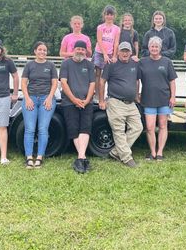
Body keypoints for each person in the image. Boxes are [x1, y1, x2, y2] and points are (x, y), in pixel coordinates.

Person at [99, 42, 143, 168]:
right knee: (118, 130)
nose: (125, 53)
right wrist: (102, 100)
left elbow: (136, 81)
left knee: (138, 127)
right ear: (118, 52)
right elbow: (102, 82)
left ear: (131, 53)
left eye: (127, 51)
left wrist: (136, 96)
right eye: (122, 51)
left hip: (130, 103)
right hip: (115, 101)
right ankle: (126, 158)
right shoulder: (111, 65)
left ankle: (115, 152)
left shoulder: (135, 64)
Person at [139, 37, 177, 161]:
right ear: (149, 48)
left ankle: (160, 152)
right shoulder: (142, 62)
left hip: (164, 99)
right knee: (150, 127)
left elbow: (172, 81)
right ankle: (152, 152)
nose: (154, 49)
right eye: (152, 46)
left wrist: (173, 96)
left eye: (156, 47)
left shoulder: (167, 62)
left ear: (160, 48)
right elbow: (137, 80)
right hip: (148, 98)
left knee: (162, 125)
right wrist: (136, 94)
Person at [60, 40, 95, 173]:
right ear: (73, 49)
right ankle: (83, 158)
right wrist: (74, 100)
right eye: (78, 49)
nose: (80, 51)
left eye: (82, 49)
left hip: (87, 102)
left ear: (85, 51)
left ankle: (80, 158)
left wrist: (86, 100)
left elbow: (92, 83)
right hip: (69, 102)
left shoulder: (89, 64)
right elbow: (63, 82)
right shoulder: (66, 64)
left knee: (85, 128)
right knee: (74, 129)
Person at [21, 42, 58, 168]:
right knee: (30, 129)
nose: (42, 52)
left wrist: (49, 98)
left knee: (43, 129)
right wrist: (27, 99)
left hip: (46, 99)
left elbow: (54, 84)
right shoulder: (29, 65)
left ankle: (40, 157)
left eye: (44, 50)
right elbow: (24, 83)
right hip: (30, 98)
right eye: (40, 50)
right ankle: (29, 157)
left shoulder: (51, 65)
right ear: (35, 51)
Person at [93, 5, 120, 99]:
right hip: (100, 52)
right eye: (107, 14)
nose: (109, 16)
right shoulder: (100, 27)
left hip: (110, 53)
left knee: (110, 75)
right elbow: (99, 40)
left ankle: (110, 95)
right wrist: (104, 54)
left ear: (114, 16)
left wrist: (114, 55)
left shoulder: (117, 29)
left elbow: (116, 43)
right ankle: (96, 95)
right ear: (104, 15)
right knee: (98, 74)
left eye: (111, 14)